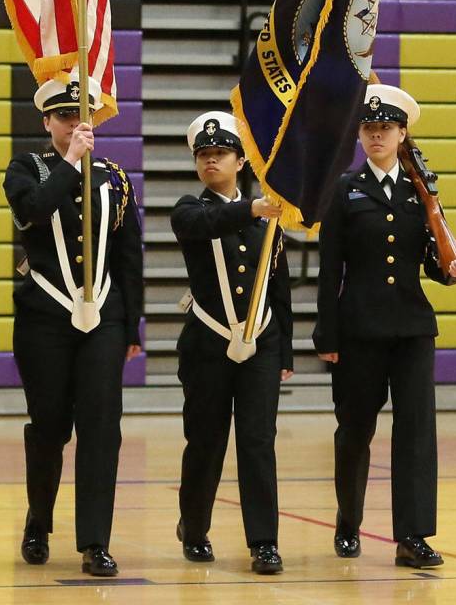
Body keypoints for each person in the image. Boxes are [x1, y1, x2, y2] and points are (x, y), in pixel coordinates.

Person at [313, 83, 456, 568]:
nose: (375, 136)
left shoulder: (421, 191)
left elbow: (432, 260)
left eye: (385, 128)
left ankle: (413, 536)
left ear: (403, 133)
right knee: (354, 431)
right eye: (368, 127)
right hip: (359, 330)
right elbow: (329, 269)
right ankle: (348, 520)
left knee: (416, 433)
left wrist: (454, 267)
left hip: (411, 329)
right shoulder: (344, 190)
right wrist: (327, 334)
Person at [3, 75, 143, 578]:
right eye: (63, 116)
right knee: (49, 428)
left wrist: (132, 327)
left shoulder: (115, 177)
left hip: (103, 317)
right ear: (47, 122)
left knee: (103, 429)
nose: (73, 122)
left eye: (81, 115)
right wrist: (67, 163)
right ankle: (39, 520)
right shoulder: (27, 168)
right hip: (45, 318)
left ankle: (95, 542)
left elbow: (130, 256)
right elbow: (34, 211)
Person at [171, 111, 293, 575]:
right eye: (203, 155)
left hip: (261, 344)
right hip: (208, 345)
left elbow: (277, 289)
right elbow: (202, 225)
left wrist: (285, 350)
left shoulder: (268, 221)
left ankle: (264, 541)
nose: (210, 161)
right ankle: (196, 528)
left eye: (220, 153)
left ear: (241, 160)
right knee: (205, 441)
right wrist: (252, 210)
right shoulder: (190, 208)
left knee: (259, 442)